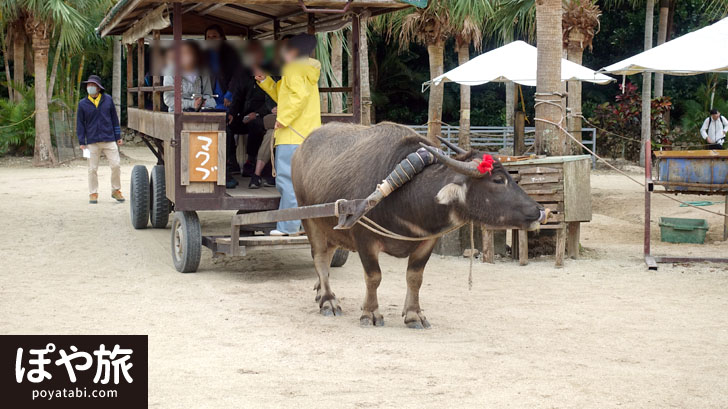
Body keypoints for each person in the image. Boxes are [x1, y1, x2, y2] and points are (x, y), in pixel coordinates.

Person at [256, 33, 321, 236]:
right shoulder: (305, 69)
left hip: (292, 136)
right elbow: (286, 96)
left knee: (288, 181)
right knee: (303, 183)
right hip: (307, 135)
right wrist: (266, 82)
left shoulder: (292, 69)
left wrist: (283, 119)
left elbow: (296, 98)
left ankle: (288, 228)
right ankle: (302, 226)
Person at [77, 74, 124, 204]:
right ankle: (93, 193)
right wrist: (82, 141)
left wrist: (118, 136)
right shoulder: (82, 104)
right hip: (92, 142)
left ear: (98, 88)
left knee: (116, 165)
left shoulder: (107, 100)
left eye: (93, 85)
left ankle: (116, 190)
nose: (90, 87)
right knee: (92, 169)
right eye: (88, 85)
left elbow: (114, 118)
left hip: (109, 139)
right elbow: (80, 124)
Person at [162, 41, 216, 113]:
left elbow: (209, 95)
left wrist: (203, 101)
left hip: (199, 115)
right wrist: (192, 104)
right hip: (177, 114)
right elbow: (168, 99)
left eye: (191, 52)